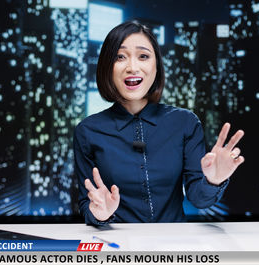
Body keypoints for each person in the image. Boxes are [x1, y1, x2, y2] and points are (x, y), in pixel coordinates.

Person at [73, 21, 244, 225]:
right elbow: (87, 204)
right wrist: (100, 214)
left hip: (174, 247)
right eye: (120, 57)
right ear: (107, 67)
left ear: (156, 66)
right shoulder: (88, 131)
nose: (132, 67)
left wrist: (213, 180)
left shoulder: (185, 123)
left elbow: (199, 199)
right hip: (118, 247)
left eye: (143, 56)